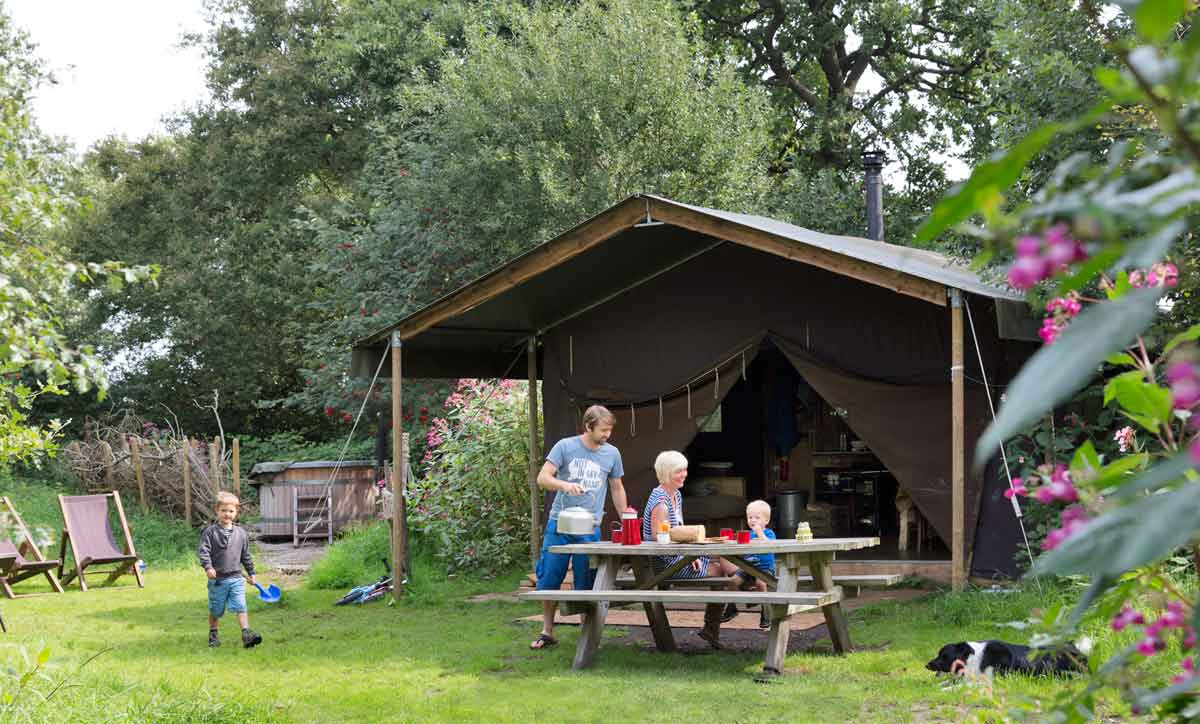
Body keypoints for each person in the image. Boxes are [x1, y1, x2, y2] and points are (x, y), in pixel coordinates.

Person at [529, 405, 627, 650]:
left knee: (587, 580)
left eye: (609, 430)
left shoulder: (612, 453)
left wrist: (626, 518)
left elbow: (616, 487)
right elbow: (543, 478)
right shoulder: (565, 446)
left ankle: (587, 637)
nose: (607, 435)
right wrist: (564, 485)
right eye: (603, 430)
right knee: (550, 576)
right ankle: (547, 631)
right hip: (560, 523)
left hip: (590, 526)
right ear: (588, 426)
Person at [644, 451, 739, 648]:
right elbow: (657, 537)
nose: (685, 474)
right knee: (722, 568)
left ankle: (735, 594)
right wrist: (688, 554)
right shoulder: (660, 502)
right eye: (679, 471)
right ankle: (742, 587)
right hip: (666, 563)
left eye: (685, 470)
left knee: (721, 551)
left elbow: (678, 531)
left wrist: (691, 552)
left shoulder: (676, 495)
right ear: (667, 472)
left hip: (680, 556)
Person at [198, 491, 262, 649]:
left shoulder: (241, 533)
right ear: (217, 510)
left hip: (236, 578)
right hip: (217, 580)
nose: (227, 514)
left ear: (236, 512)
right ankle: (213, 634)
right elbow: (203, 551)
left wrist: (252, 573)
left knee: (241, 606)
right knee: (216, 609)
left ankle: (246, 634)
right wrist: (208, 567)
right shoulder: (210, 532)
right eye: (224, 510)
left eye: (231, 511)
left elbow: (245, 555)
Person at [720, 499, 777, 630]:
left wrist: (760, 533)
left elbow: (771, 545)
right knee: (732, 581)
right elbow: (741, 549)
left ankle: (766, 612)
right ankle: (732, 607)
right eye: (750, 517)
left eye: (757, 517)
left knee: (760, 583)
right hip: (747, 568)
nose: (753, 520)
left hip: (765, 569)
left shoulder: (768, 533)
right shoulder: (748, 534)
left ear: (766, 521)